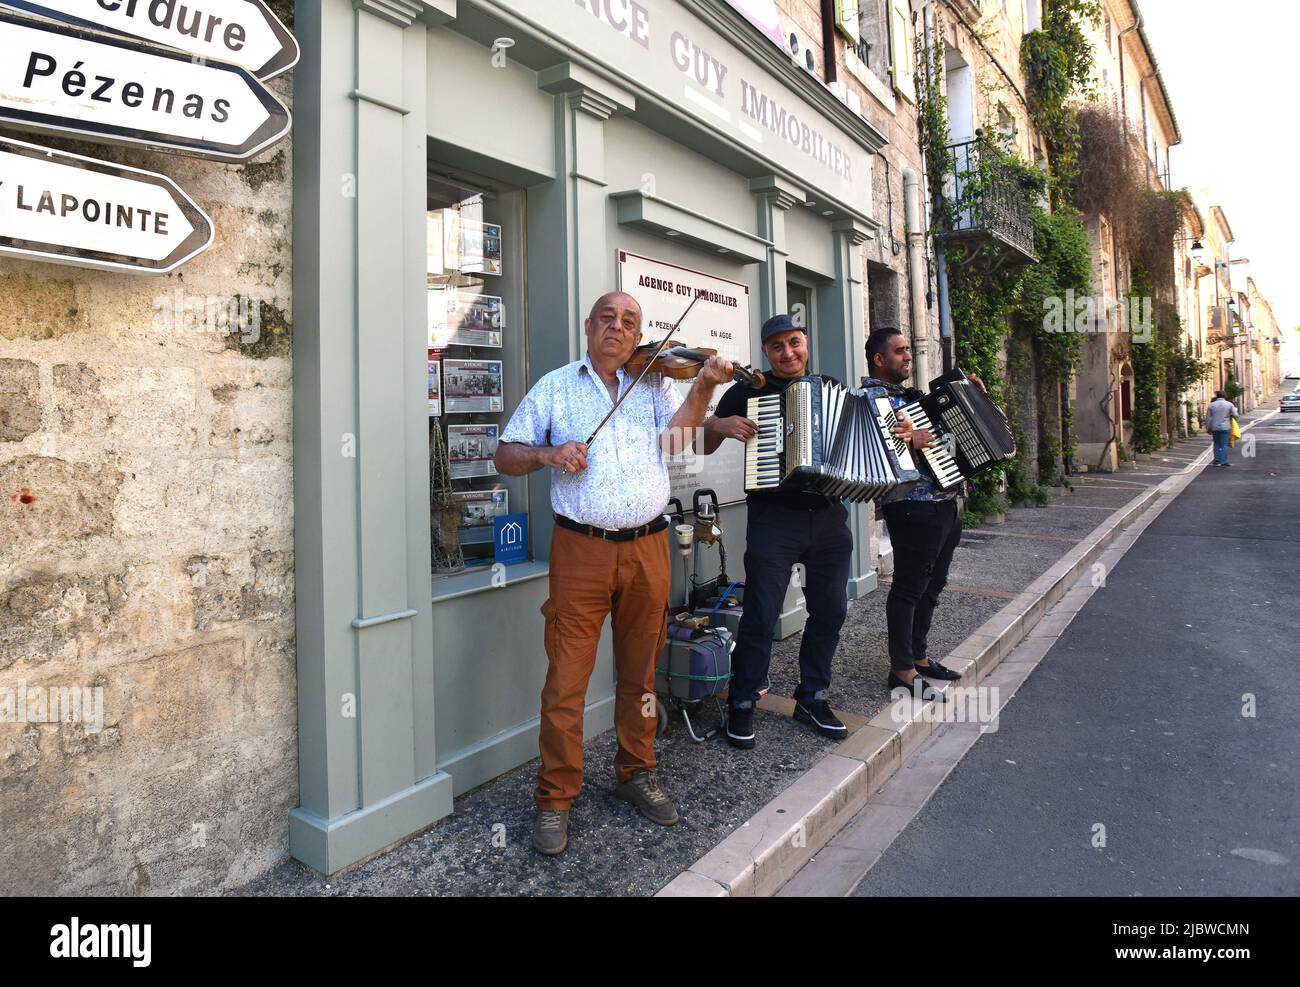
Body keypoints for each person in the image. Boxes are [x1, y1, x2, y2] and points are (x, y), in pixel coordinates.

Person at [495, 291, 733, 856]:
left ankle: (636, 771)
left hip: (648, 547)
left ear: (638, 334)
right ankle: (555, 799)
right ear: (589, 326)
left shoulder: (653, 382)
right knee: (566, 681)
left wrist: (703, 386)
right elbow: (505, 455)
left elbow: (679, 444)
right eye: (608, 318)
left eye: (629, 322)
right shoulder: (555, 386)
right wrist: (549, 456)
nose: (618, 329)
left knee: (641, 674)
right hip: (581, 551)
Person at [702, 313, 911, 749]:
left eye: (794, 343)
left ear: (805, 343)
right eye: (777, 346)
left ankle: (811, 696)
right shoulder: (747, 390)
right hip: (773, 518)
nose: (788, 353)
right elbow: (702, 441)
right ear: (765, 352)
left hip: (828, 516)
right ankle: (743, 701)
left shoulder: (829, 389)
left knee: (831, 612)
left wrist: (902, 434)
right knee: (761, 614)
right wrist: (718, 425)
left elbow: (878, 436)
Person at [864, 327, 986, 702]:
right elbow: (872, 452)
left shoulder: (914, 399)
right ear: (879, 359)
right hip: (911, 506)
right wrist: (911, 442)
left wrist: (974, 399)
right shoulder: (871, 399)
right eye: (899, 351)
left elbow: (948, 438)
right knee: (908, 588)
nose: (907, 356)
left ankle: (919, 656)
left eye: (908, 350)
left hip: (944, 501)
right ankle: (901, 671)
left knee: (932, 585)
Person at [1205, 390, 1239, 466]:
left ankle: (1217, 460)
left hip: (1215, 427)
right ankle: (1224, 461)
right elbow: (1235, 415)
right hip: (1225, 427)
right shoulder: (1229, 404)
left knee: (1216, 443)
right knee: (1224, 444)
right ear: (1225, 396)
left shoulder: (1211, 405)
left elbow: (1208, 418)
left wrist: (1208, 428)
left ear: (1217, 396)